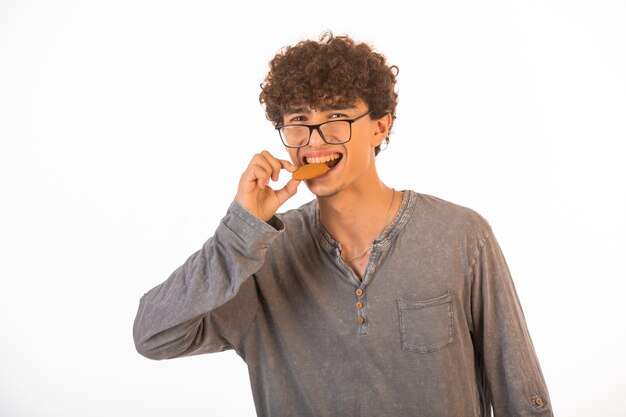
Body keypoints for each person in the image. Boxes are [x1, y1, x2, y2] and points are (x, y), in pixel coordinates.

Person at [133, 31, 553, 416]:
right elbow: (153, 335)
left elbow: (520, 392)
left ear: (379, 126)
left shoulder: (461, 236)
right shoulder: (258, 256)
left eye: (336, 117)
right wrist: (239, 232)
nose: (314, 140)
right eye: (298, 120)